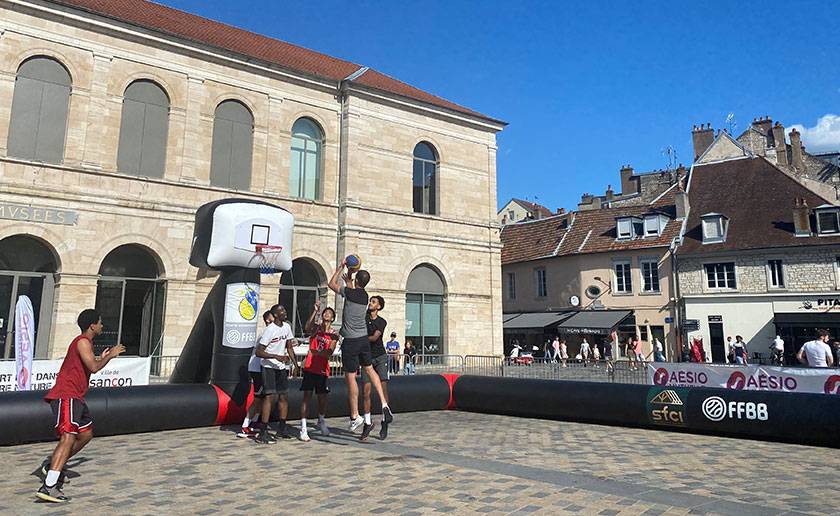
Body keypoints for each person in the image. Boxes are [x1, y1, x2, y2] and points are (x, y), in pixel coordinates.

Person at [37, 309, 126, 503]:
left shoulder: (86, 344)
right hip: (66, 395)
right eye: (100, 322)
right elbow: (94, 368)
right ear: (92, 325)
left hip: (76, 396)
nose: (102, 326)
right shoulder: (82, 342)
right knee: (68, 437)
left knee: (86, 435)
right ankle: (49, 486)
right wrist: (110, 355)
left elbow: (90, 366)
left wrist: (100, 357)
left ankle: (53, 464)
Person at [327, 259, 393, 434]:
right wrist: (350, 277)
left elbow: (331, 284)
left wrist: (341, 267)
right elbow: (351, 287)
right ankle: (385, 404)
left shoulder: (350, 293)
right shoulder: (363, 296)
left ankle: (355, 416)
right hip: (363, 340)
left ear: (356, 281)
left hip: (351, 341)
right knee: (370, 371)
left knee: (350, 378)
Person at [254, 304, 299, 444]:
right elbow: (259, 351)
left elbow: (289, 346)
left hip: (281, 368)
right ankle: (263, 431)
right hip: (268, 367)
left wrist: (295, 364)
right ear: (275, 314)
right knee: (270, 397)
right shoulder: (269, 330)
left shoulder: (286, 327)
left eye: (284, 310)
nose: (284, 312)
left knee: (283, 396)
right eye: (281, 311)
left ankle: (282, 428)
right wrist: (275, 356)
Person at [299, 301, 338, 442]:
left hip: (322, 368)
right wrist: (315, 311)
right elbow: (307, 327)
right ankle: (303, 427)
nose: (327, 314)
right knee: (307, 396)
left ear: (333, 318)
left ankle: (321, 420)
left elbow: (329, 351)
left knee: (322, 398)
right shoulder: (316, 329)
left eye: (330, 313)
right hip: (310, 366)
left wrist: (317, 352)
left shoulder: (333, 333)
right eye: (325, 312)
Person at [237, 310, 273, 438]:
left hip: (262, 368)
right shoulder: (266, 332)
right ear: (268, 320)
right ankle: (245, 426)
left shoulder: (271, 331)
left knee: (264, 397)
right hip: (257, 368)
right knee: (258, 398)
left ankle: (256, 422)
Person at [363, 295, 390, 440]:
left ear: (378, 306)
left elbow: (374, 337)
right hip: (367, 357)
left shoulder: (381, 322)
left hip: (380, 357)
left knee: (383, 387)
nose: (370, 304)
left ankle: (385, 421)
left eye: (373, 302)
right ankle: (367, 422)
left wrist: (359, 339)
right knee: (366, 391)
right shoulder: (363, 317)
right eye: (370, 301)